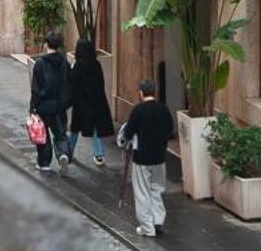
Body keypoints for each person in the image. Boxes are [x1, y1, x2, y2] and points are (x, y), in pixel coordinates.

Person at [117, 79, 175, 237]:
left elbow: (128, 133)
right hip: (159, 156)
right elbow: (170, 130)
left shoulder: (138, 110)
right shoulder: (164, 109)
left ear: (141, 93)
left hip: (142, 157)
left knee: (142, 191)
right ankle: (158, 221)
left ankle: (147, 227)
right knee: (157, 189)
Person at [61, 37, 115, 168]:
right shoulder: (96, 65)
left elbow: (72, 84)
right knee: (95, 128)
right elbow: (100, 84)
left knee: (74, 129)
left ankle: (68, 153)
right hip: (95, 103)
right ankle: (99, 155)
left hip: (80, 105)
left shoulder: (78, 67)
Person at [27, 32, 72, 173]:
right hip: (59, 106)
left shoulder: (40, 64)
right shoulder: (65, 64)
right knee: (60, 133)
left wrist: (33, 107)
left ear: (46, 44)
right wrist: (66, 103)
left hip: (43, 106)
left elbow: (35, 88)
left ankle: (44, 163)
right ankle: (63, 154)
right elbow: (69, 85)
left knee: (43, 135)